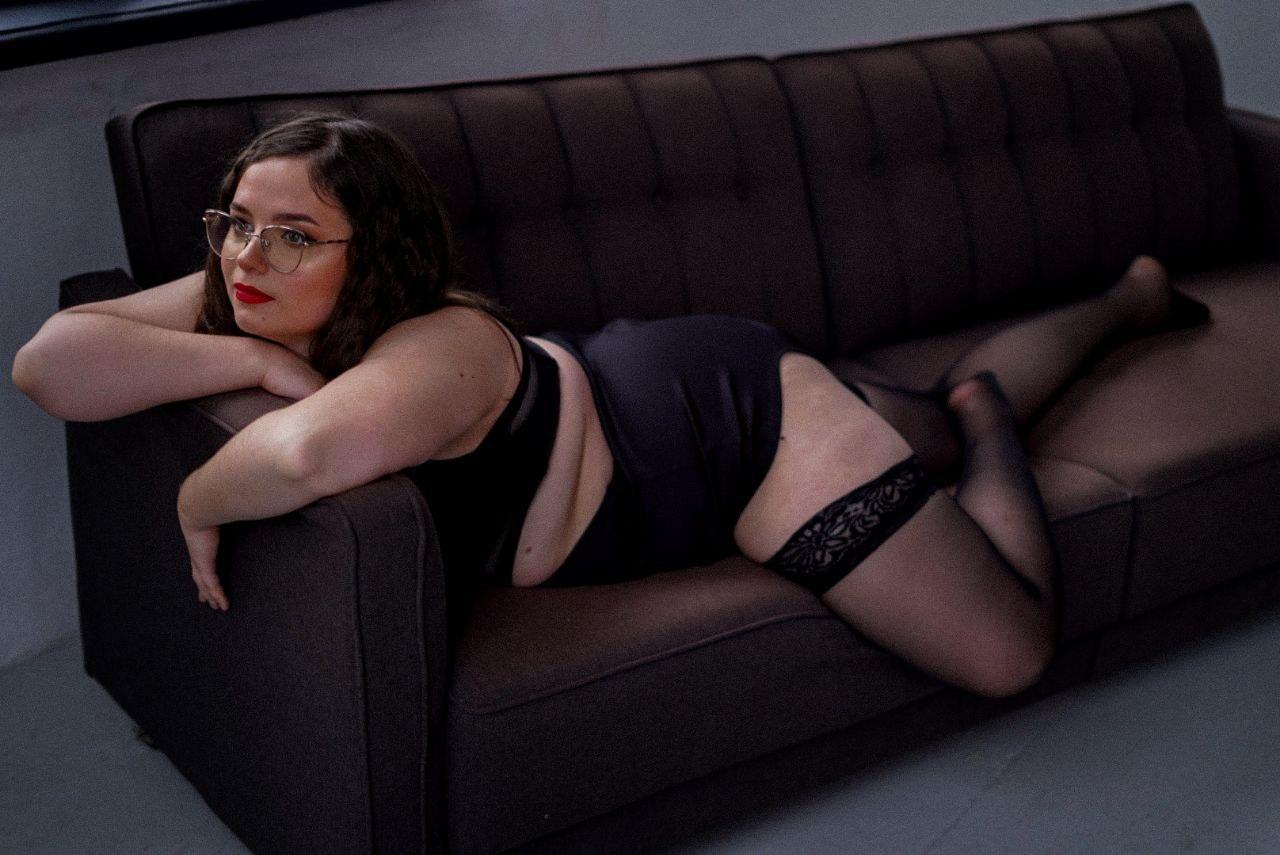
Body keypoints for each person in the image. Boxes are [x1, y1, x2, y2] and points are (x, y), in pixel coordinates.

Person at [11, 114, 1205, 700]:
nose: (244, 256)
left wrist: (195, 494)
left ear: (374, 252)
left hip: (733, 427)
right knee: (914, 417)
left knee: (1004, 649)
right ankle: (1113, 310)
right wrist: (248, 362)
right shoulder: (253, 293)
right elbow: (50, 365)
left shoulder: (438, 342)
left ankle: (996, 408)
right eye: (233, 221)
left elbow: (310, 451)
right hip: (635, 387)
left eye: (290, 232)